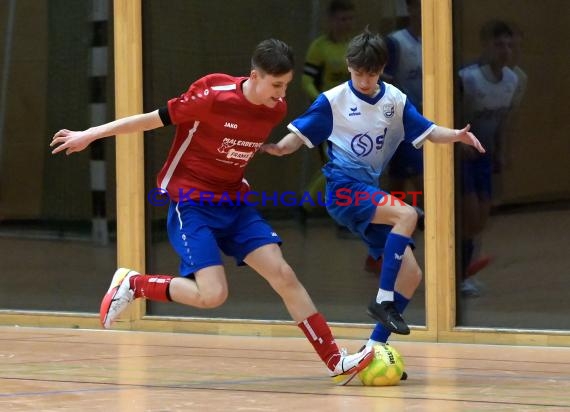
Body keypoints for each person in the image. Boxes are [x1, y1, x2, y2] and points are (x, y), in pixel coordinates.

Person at [50, 38, 372, 385]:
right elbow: (150, 120)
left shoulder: (274, 109)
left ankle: (335, 359)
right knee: (212, 295)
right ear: (254, 76)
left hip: (234, 203)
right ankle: (135, 283)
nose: (281, 95)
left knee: (284, 275)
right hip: (191, 202)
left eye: (287, 86)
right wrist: (92, 134)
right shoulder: (212, 94)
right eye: (276, 85)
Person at [261, 28, 485, 336]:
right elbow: (294, 140)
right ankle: (383, 299)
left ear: (382, 70)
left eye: (371, 74)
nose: (364, 81)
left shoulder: (394, 100)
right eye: (358, 74)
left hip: (368, 192)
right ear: (350, 67)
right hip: (343, 190)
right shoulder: (333, 101)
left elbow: (428, 130)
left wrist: (456, 136)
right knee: (407, 213)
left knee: (411, 274)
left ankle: (374, 348)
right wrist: (274, 148)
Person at [458, 20, 521, 297]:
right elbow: (448, 113)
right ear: (486, 46)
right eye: (498, 44)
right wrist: (458, 141)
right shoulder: (469, 78)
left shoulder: (513, 80)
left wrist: (503, 151)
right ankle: (456, 275)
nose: (504, 50)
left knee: (481, 220)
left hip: (485, 157)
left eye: (509, 44)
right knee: (469, 216)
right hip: (462, 157)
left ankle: (464, 273)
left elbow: (504, 121)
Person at [366, 0, 424, 274]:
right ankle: (383, 251)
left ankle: (397, 249)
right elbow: (381, 84)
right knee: (403, 187)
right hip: (400, 128)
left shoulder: (437, 43)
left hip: (425, 125)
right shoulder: (396, 43)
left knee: (422, 190)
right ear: (410, 9)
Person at [301, 0, 356, 217]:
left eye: (350, 19)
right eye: (342, 19)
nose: (347, 23)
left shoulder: (356, 47)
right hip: (328, 115)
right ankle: (340, 215)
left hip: (354, 113)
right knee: (337, 166)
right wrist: (321, 101)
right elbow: (306, 80)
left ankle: (305, 205)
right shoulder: (319, 47)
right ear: (331, 21)